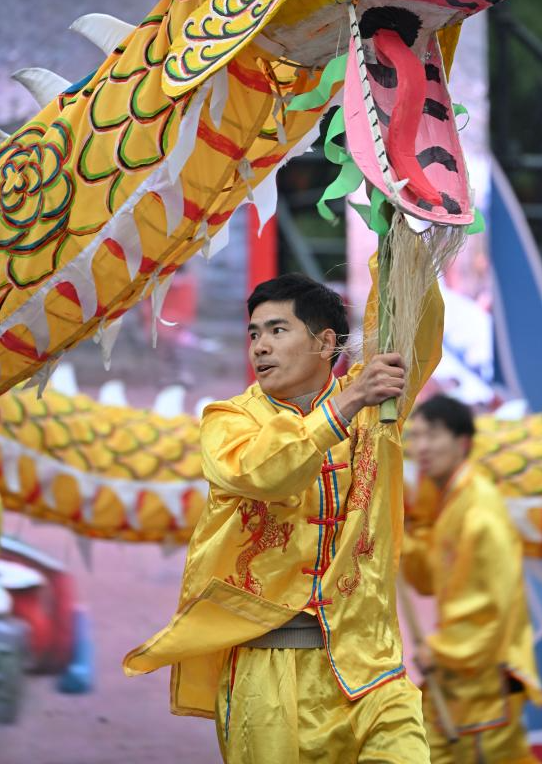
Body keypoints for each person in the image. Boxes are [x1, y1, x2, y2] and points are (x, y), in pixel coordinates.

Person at [125, 268, 444, 763]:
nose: (260, 346)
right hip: (266, 672)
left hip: (369, 666)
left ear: (325, 343)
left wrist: (408, 242)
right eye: (254, 333)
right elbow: (263, 473)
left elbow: (413, 329)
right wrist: (345, 405)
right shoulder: (229, 420)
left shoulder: (377, 405)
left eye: (277, 330)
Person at [402, 394, 542, 764]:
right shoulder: (449, 500)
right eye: (416, 436)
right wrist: (404, 531)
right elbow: (428, 580)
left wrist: (440, 650)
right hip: (458, 677)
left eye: (433, 435)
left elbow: (491, 608)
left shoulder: (479, 510)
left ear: (462, 442)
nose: (421, 447)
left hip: (483, 681)